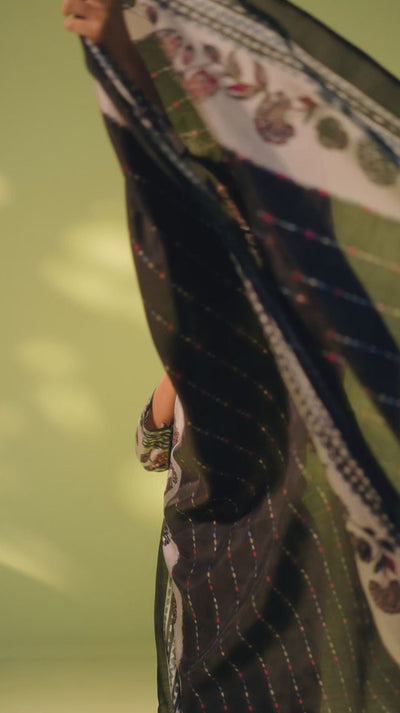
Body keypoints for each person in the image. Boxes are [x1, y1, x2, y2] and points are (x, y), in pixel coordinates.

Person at [63, 2, 400, 712]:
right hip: (217, 551)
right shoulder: (209, 348)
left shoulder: (331, 344)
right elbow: (151, 450)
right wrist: (119, 48)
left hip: (314, 555)